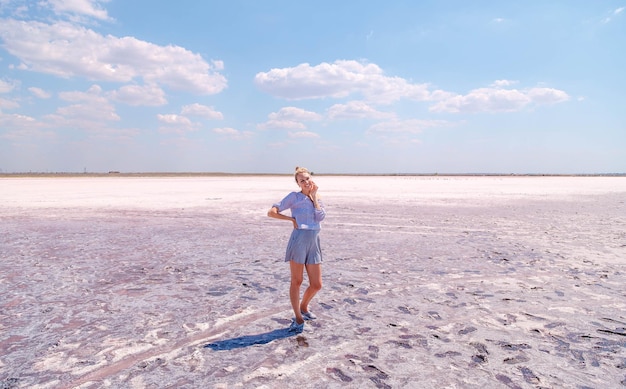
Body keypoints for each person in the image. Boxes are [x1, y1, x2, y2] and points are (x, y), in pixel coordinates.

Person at [267, 167, 326, 333]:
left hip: (314, 241)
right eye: (302, 180)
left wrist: (314, 198)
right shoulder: (294, 197)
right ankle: (298, 318)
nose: (306, 182)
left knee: (316, 284)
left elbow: (320, 217)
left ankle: (304, 307)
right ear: (298, 183)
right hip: (299, 240)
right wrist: (290, 219)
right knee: (297, 281)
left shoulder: (318, 198)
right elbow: (272, 212)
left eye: (307, 178)